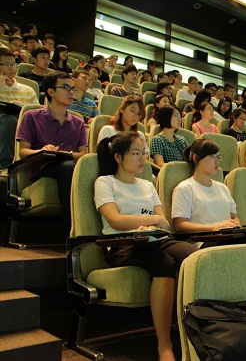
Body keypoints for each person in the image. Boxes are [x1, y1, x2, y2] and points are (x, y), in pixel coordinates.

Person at [95, 131, 197, 361]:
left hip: (157, 239)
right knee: (163, 263)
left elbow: (162, 219)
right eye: (136, 153)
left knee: (196, 256)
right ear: (118, 157)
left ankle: (203, 329)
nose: (143, 158)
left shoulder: (147, 183)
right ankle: (165, 346)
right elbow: (116, 220)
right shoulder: (105, 182)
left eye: (144, 153)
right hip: (122, 244)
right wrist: (150, 220)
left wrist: (152, 222)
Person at [171, 139, 246, 252]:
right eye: (212, 156)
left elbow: (234, 217)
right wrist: (214, 227)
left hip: (229, 234)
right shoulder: (184, 188)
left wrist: (235, 225)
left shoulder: (222, 187)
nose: (217, 161)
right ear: (196, 158)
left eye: (218, 157)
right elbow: (180, 225)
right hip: (205, 240)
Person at [16, 72, 88, 235]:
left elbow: (83, 153)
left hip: (68, 163)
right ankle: (73, 232)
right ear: (51, 91)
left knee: (81, 167)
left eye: (72, 88)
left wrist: (65, 153)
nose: (71, 92)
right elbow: (23, 151)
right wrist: (41, 151)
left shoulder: (78, 121)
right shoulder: (32, 116)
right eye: (65, 87)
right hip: (43, 167)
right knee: (68, 168)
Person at [0, 48, 39, 168]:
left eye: (13, 64)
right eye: (7, 64)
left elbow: (37, 116)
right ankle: (4, 166)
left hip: (23, 131)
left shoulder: (28, 90)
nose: (12, 68)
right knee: (9, 120)